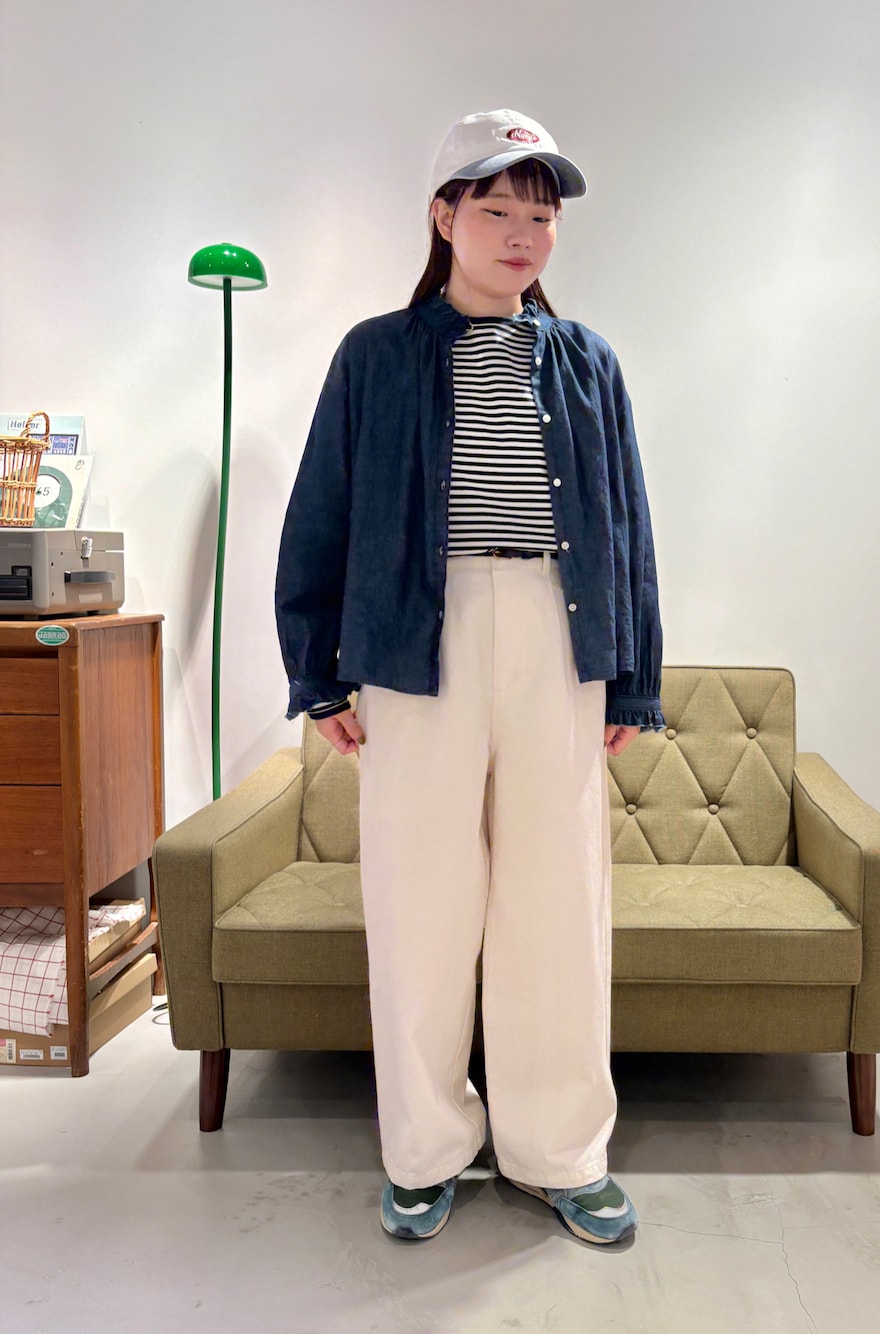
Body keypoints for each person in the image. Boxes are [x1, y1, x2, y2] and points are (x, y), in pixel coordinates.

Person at [275, 109, 664, 1245]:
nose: (522, 233)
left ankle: (560, 1151)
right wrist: (317, 673)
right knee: (420, 905)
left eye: (540, 215)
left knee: (559, 905)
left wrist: (633, 678)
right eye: (496, 208)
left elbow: (627, 525)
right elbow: (321, 512)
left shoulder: (587, 359)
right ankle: (426, 1150)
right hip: (416, 636)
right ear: (444, 217)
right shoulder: (376, 354)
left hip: (558, 630)